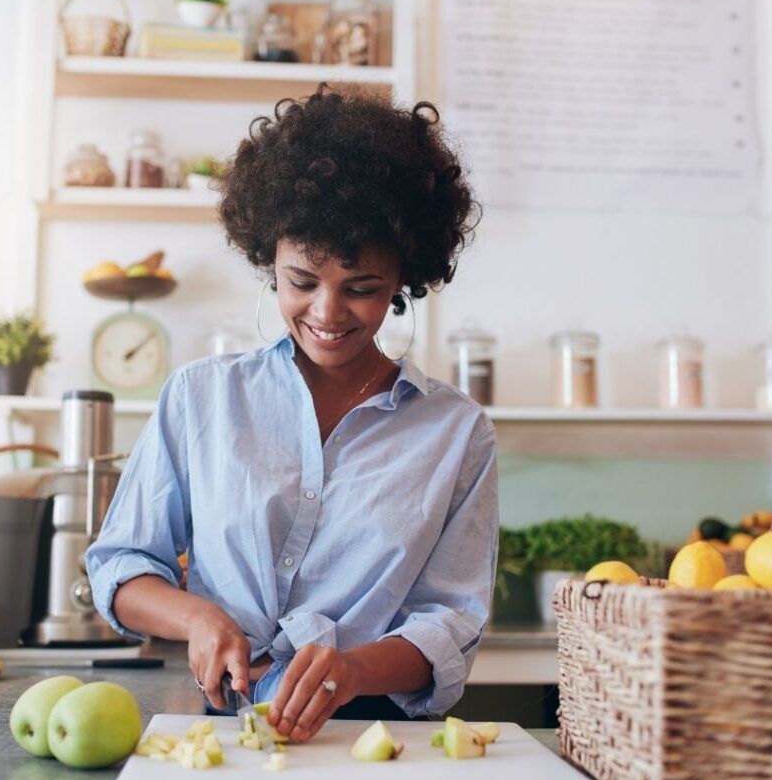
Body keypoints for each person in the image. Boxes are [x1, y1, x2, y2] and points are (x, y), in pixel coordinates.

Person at [86, 84, 498, 744]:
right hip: (226, 736)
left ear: (402, 282)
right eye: (301, 281)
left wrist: (355, 670)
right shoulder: (202, 398)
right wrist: (198, 618)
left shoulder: (456, 433)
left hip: (377, 740)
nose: (327, 313)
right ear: (268, 260)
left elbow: (451, 618)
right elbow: (122, 564)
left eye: (361, 289)